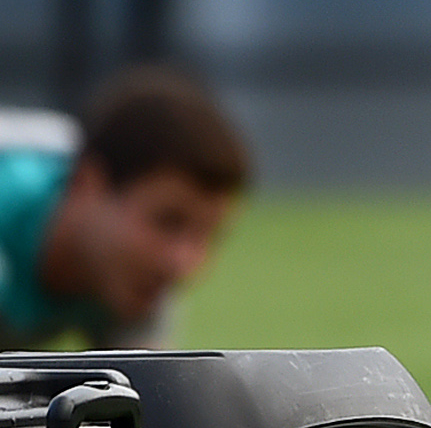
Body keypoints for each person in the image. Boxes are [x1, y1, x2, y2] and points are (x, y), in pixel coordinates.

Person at [0, 69, 252, 348]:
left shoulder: (130, 282)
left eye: (208, 235)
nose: (183, 263)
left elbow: (149, 385)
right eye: (167, 222)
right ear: (89, 183)